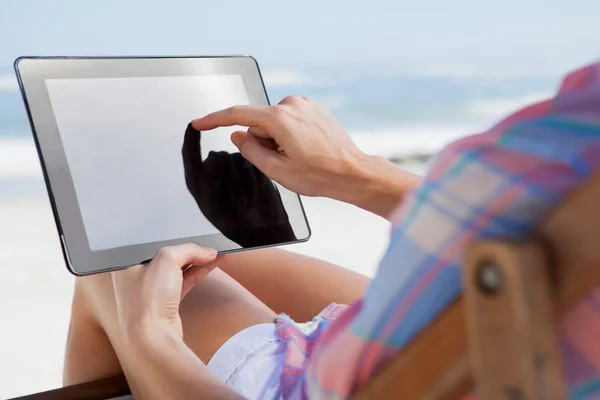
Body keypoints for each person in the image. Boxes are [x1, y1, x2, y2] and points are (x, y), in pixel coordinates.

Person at [64, 62, 600, 400]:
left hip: (435, 369)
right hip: (516, 313)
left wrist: (154, 345)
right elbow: (543, 240)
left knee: (119, 269)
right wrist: (357, 173)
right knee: (212, 259)